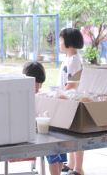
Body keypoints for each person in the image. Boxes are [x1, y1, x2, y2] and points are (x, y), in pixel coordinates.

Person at [22, 61, 67, 175]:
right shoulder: (21, 95)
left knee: (61, 148)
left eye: (40, 84)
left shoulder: (40, 95)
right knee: (53, 150)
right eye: (35, 83)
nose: (38, 87)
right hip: (29, 135)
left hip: (42, 132)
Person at [59, 28, 85, 175]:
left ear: (69, 42)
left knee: (76, 137)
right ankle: (71, 163)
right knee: (70, 134)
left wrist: (60, 93)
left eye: (61, 40)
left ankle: (78, 168)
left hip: (72, 101)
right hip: (67, 100)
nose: (59, 43)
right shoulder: (69, 59)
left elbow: (73, 83)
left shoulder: (75, 60)